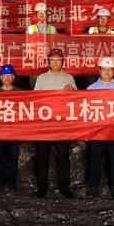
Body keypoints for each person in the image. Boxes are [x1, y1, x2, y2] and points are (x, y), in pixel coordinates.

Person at [33, 48, 76, 199]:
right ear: (48, 61)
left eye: (58, 59)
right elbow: (36, 100)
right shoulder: (41, 78)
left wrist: (72, 91)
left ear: (63, 61)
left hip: (63, 124)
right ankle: (41, 188)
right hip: (45, 124)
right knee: (42, 157)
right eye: (52, 59)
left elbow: (77, 100)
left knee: (63, 157)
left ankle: (65, 187)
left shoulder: (69, 77)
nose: (55, 62)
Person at [86, 56, 114, 197]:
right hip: (97, 131)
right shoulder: (91, 89)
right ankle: (93, 187)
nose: (107, 72)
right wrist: (87, 132)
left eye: (110, 69)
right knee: (95, 160)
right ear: (99, 70)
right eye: (104, 69)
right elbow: (87, 112)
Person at [0, 64, 23, 192]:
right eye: (5, 76)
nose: (7, 78)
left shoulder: (20, 92)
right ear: (1, 77)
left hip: (14, 130)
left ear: (13, 77)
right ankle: (1, 181)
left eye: (10, 75)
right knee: (0, 155)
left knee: (13, 156)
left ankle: (11, 182)